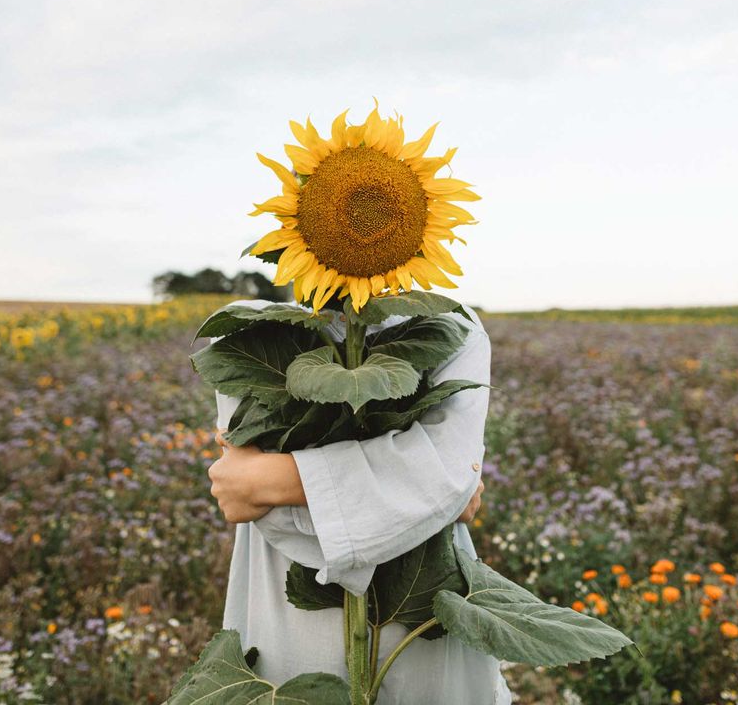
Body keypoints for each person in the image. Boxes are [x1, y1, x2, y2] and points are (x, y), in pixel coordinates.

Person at [204, 297, 512, 704]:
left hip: (424, 626)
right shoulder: (244, 327)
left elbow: (449, 479)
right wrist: (426, 493)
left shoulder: (452, 325)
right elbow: (269, 516)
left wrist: (276, 479)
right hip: (287, 618)